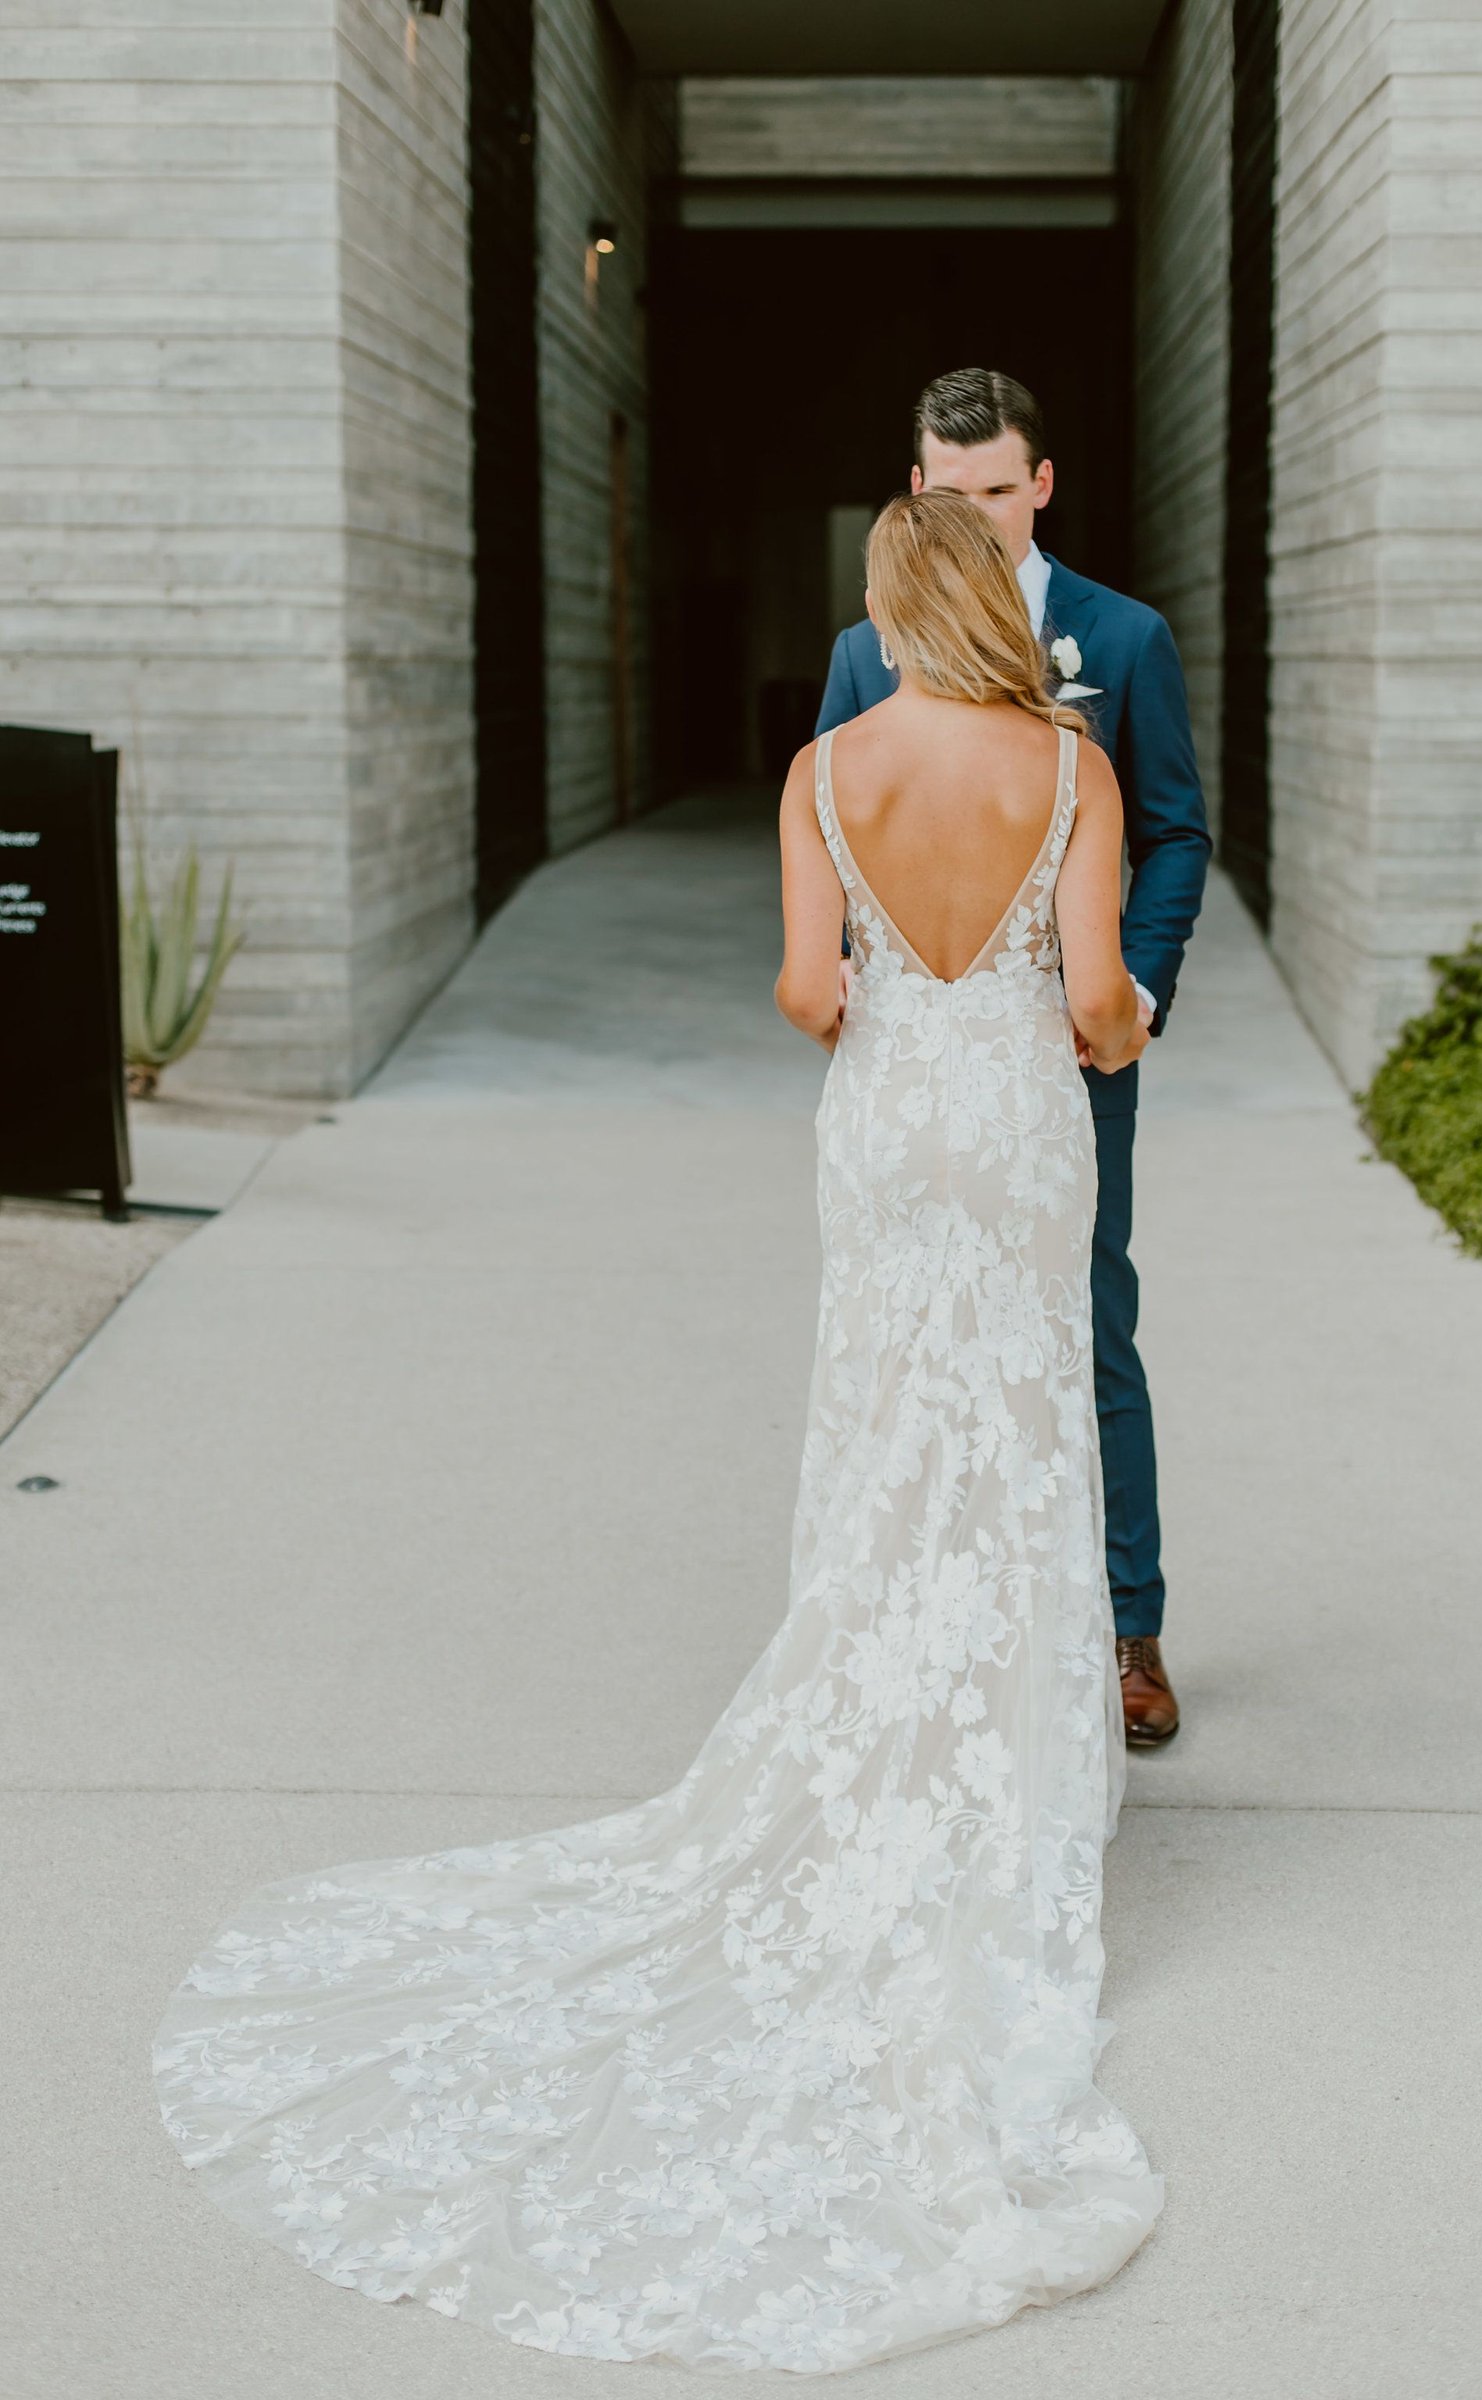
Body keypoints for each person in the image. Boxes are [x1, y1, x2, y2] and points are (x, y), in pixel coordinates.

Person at [151, 489, 1163, 2374]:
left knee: (886, 1434)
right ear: (998, 601)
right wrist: (1110, 1028)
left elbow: (805, 990)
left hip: (887, 1128)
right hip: (1016, 1130)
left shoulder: (820, 769)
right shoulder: (1073, 768)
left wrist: (885, 1006)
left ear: (886, 599)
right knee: (1021, 1442)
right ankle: (1004, 1776)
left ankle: (868, 1727)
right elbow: (1097, 997)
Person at [819, 369, 1211, 1747]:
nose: (977, 516)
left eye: (1002, 488)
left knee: (1086, 1319)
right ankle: (938, 1626)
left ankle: (1126, 1629)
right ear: (915, 487)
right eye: (951, 489)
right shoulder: (865, 649)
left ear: (1040, 484)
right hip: (927, 1056)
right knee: (912, 1335)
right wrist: (871, 977)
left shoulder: (1124, 636)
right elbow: (836, 830)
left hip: (1076, 1046)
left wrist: (1136, 994)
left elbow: (1173, 829)